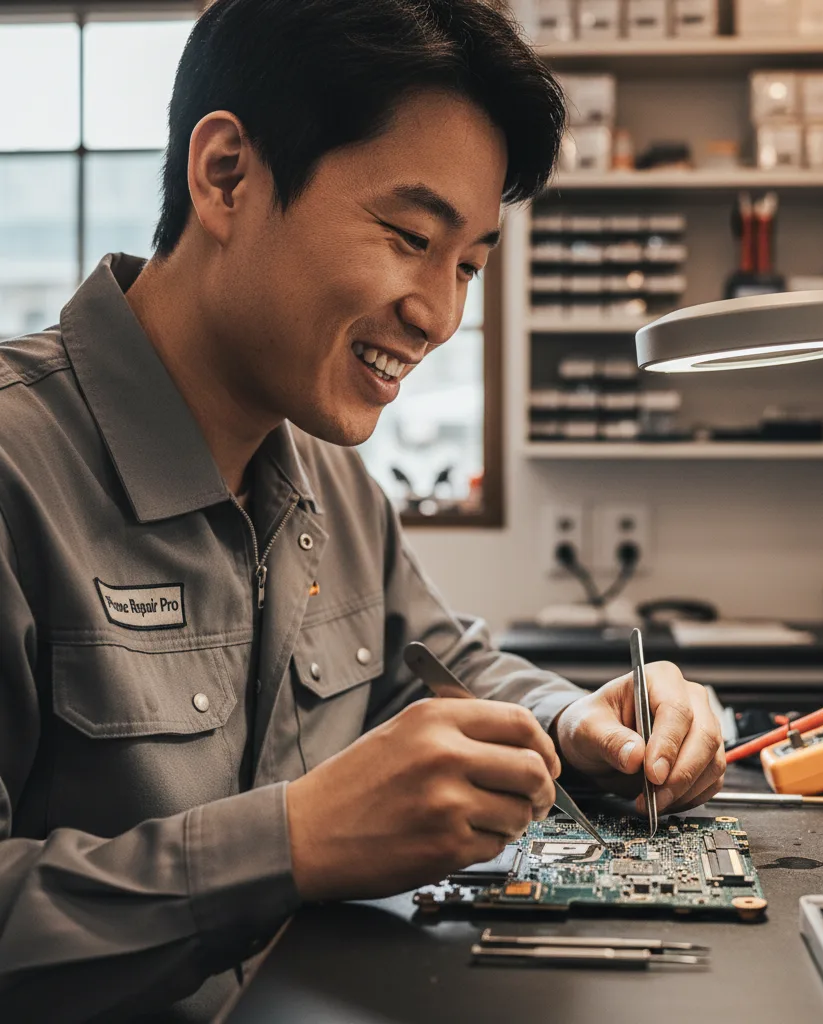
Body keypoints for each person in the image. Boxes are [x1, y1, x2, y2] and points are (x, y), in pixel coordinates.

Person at [0, 0, 725, 1019]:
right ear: (226, 176)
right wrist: (290, 842)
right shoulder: (14, 472)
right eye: (408, 236)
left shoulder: (323, 473)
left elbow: (440, 663)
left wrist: (579, 724)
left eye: (468, 264)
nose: (437, 314)